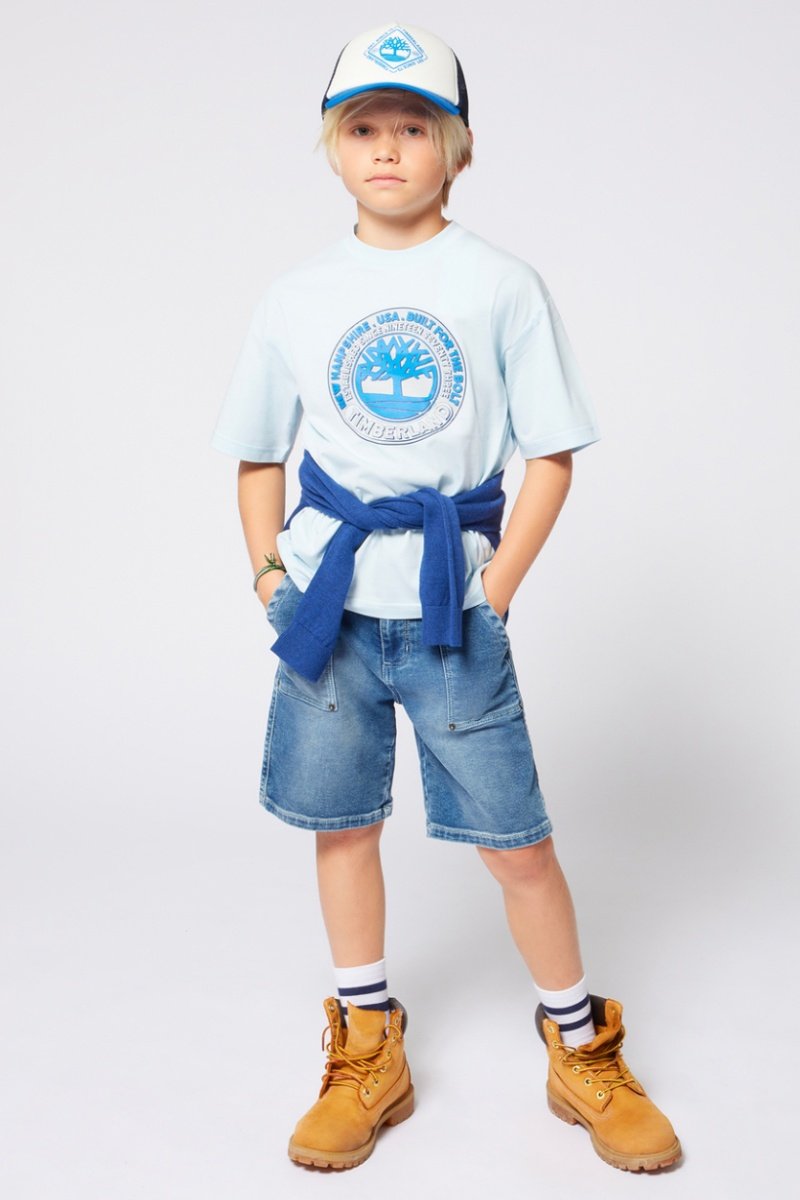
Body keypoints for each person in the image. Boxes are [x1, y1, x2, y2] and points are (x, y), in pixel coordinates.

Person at [211, 22, 681, 1175]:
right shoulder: (296, 296)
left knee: (514, 844)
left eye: (413, 128)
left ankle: (579, 1045)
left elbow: (550, 454)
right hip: (328, 612)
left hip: (447, 610)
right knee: (342, 824)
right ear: (332, 148)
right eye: (363, 128)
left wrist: (494, 586)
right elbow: (257, 454)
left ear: (456, 149)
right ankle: (367, 1043)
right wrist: (268, 573)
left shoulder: (498, 285)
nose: (387, 149)